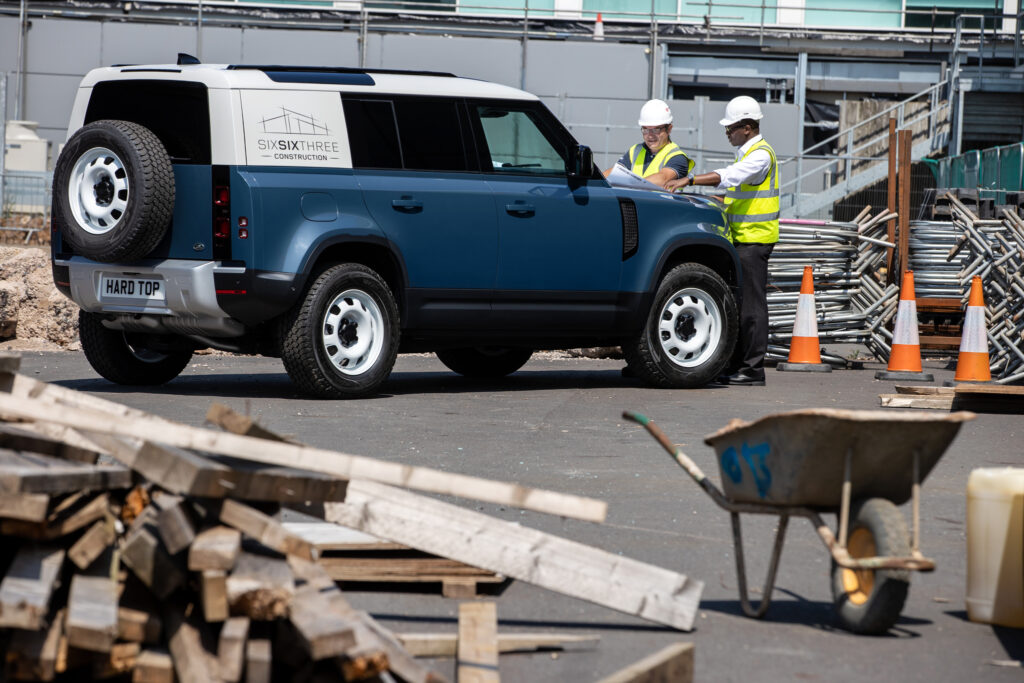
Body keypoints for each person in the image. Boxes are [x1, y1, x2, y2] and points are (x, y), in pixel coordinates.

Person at [665, 95, 778, 386]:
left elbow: (730, 177)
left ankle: (753, 370)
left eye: (731, 128)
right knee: (740, 305)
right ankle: (739, 365)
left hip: (755, 240)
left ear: (748, 128)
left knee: (752, 307)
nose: (727, 133)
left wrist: (688, 181)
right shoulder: (747, 152)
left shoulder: (761, 155)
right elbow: (736, 194)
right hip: (742, 238)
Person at [604, 99, 694, 189]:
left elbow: (662, 179)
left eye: (656, 129)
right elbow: (614, 173)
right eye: (645, 129)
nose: (650, 135)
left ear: (669, 129)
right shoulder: (635, 151)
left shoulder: (677, 157)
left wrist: (628, 185)